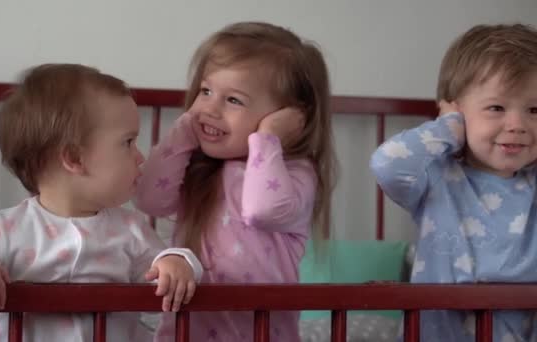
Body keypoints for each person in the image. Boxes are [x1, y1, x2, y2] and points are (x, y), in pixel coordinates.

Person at [0, 64, 203, 342]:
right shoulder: (8, 229)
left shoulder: (130, 229)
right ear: (74, 158)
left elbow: (161, 268)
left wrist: (177, 261)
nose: (140, 156)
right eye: (128, 142)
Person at [135, 21, 337, 341]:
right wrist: (183, 132)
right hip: (186, 333)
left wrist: (268, 138)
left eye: (233, 100)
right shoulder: (198, 169)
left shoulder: (296, 174)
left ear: (289, 118)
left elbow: (262, 210)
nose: (210, 109)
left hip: (261, 334)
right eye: (205, 91)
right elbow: (148, 199)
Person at [370, 24, 537, 341]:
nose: (518, 125)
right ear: (456, 113)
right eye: (496, 108)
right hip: (439, 331)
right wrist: (446, 128)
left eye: (534, 109)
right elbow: (387, 164)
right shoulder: (437, 176)